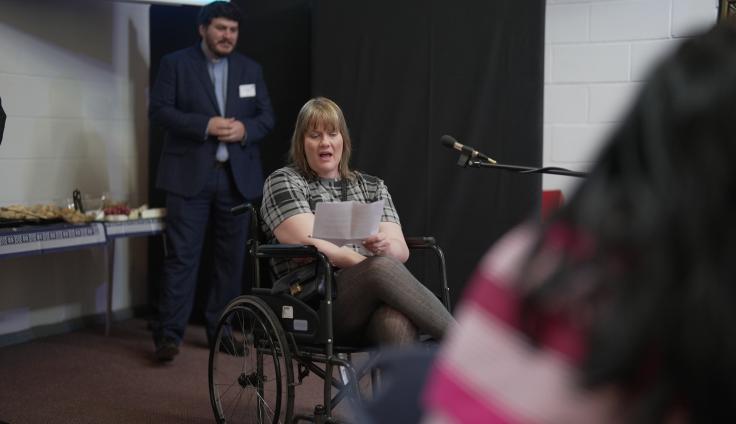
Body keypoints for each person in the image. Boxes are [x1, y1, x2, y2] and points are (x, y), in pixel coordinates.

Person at [422, 23, 736, 423]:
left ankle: (448, 337)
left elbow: (396, 243)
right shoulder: (663, 298)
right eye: (316, 136)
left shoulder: (525, 252)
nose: (327, 144)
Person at [260, 97, 453, 346]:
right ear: (301, 142)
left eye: (332, 133)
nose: (325, 142)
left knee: (393, 319)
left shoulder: (372, 186)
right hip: (310, 301)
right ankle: (465, 347)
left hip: (368, 300)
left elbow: (400, 250)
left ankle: (403, 385)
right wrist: (372, 267)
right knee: (380, 268)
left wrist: (385, 248)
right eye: (315, 135)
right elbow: (308, 239)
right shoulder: (284, 181)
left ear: (343, 140)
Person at [149, 1, 275, 362]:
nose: (227, 36)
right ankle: (168, 336)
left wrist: (245, 129)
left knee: (229, 263)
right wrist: (203, 125)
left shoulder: (251, 68)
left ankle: (222, 333)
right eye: (221, 28)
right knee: (181, 260)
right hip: (188, 179)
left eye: (233, 30)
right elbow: (158, 110)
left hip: (236, 181)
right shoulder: (176, 63)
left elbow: (267, 116)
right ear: (202, 29)